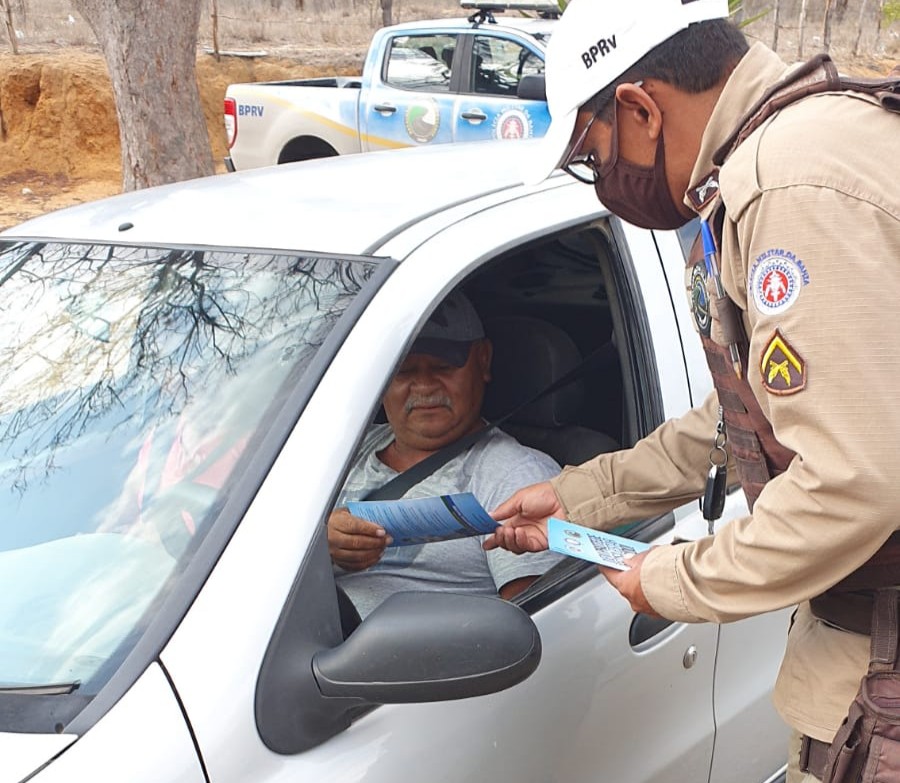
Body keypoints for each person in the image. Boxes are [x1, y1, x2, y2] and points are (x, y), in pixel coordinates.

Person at [483, 1, 900, 780]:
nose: (605, 182)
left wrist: (672, 578)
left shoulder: (790, 185)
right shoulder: (793, 147)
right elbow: (752, 408)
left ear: (640, 109)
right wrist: (583, 495)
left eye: (594, 156)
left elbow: (852, 481)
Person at [330, 291, 563, 619]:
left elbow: (534, 627)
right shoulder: (343, 448)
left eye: (443, 367)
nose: (424, 386)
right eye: (404, 371)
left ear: (483, 361)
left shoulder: (516, 478)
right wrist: (320, 543)